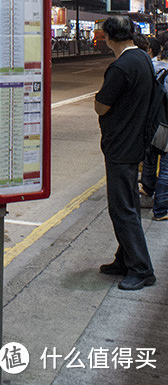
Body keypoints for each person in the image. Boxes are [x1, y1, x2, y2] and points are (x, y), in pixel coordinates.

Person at [94, 15, 156, 290]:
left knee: (122, 209)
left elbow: (101, 105)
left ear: (108, 37)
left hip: (120, 146)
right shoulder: (142, 58)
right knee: (127, 203)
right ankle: (125, 259)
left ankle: (142, 269)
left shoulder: (121, 67)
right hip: (135, 142)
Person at [140, 41, 168, 221]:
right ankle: (162, 210)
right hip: (165, 125)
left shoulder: (151, 66)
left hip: (149, 123)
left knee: (150, 157)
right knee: (166, 166)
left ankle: (147, 190)